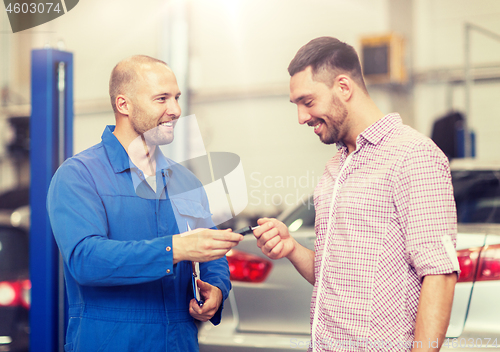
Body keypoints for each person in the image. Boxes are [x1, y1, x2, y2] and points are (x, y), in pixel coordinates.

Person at [254, 37, 459, 352]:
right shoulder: (335, 167)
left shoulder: (413, 155)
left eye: (307, 102)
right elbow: (333, 279)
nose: (301, 117)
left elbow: (440, 274)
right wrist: (291, 248)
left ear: (343, 87)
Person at [47, 55, 243, 351]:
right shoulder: (79, 176)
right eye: (161, 99)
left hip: (179, 342)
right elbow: (85, 260)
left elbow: (211, 253)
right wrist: (174, 249)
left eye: (176, 98)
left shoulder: (185, 181)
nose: (175, 110)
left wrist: (216, 289)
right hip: (109, 342)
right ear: (123, 105)